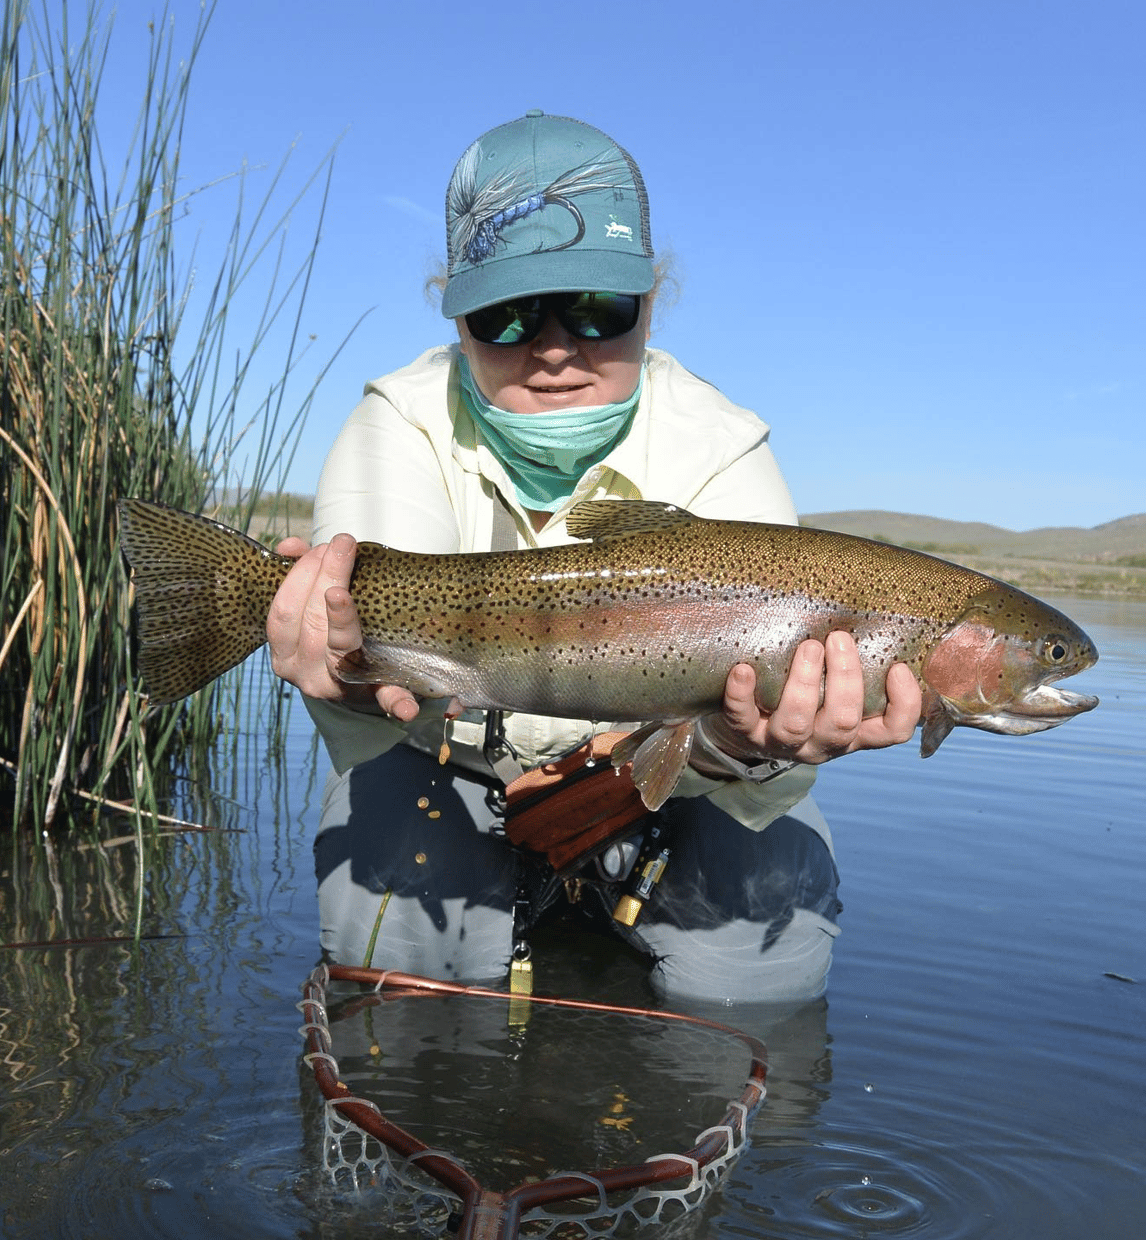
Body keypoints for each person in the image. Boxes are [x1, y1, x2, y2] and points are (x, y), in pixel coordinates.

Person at [267, 112, 922, 1004]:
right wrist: (343, 671)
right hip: (449, 771)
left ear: (652, 302)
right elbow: (378, 670)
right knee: (407, 985)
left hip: (688, 788)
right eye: (506, 315)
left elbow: (769, 755)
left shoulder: (724, 449)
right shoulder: (399, 425)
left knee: (762, 984)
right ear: (455, 315)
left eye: (596, 309)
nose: (554, 349)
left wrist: (735, 747)